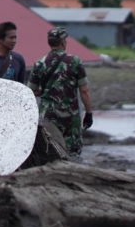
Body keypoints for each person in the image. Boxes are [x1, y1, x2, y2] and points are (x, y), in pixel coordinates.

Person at [28, 27, 93, 157]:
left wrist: (42, 92)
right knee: (73, 153)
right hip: (70, 117)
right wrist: (89, 113)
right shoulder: (75, 62)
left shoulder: (39, 63)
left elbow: (30, 91)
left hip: (48, 117)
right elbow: (84, 90)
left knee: (50, 150)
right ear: (63, 42)